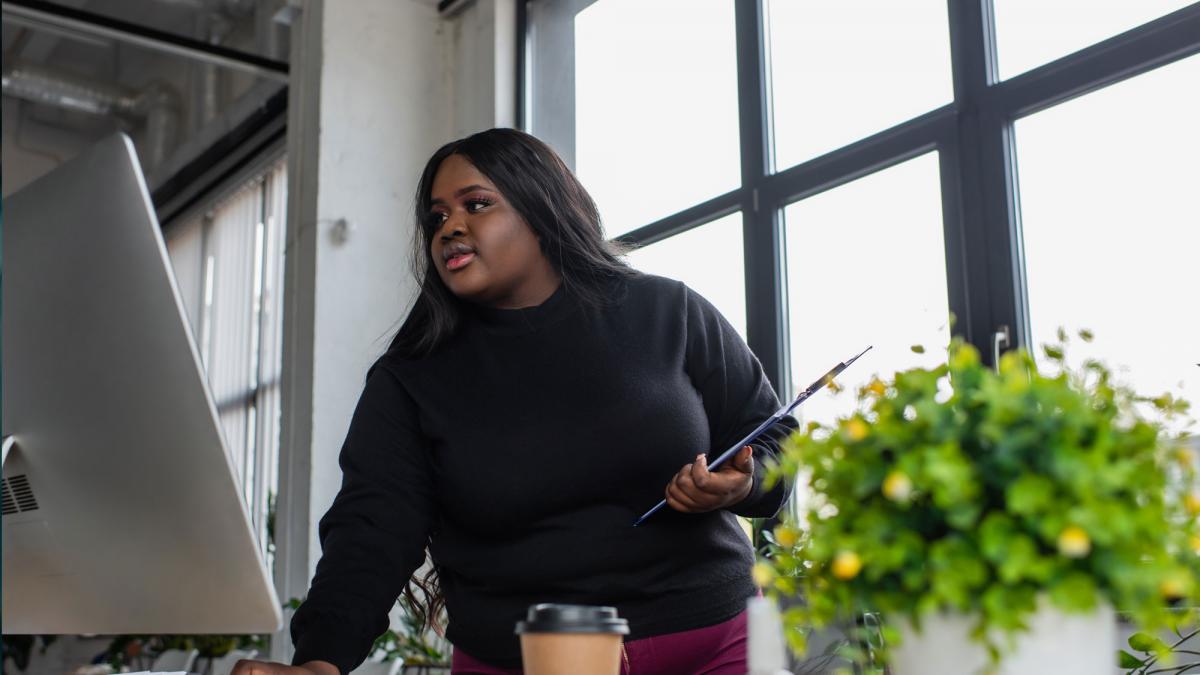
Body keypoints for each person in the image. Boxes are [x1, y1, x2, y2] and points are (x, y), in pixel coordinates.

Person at [232, 128, 797, 675]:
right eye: (436, 217)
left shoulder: (669, 311)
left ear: (541, 208)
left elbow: (771, 433)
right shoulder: (410, 379)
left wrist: (743, 484)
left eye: (476, 204)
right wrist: (321, 659)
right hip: (517, 659)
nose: (450, 227)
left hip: (715, 646)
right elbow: (371, 529)